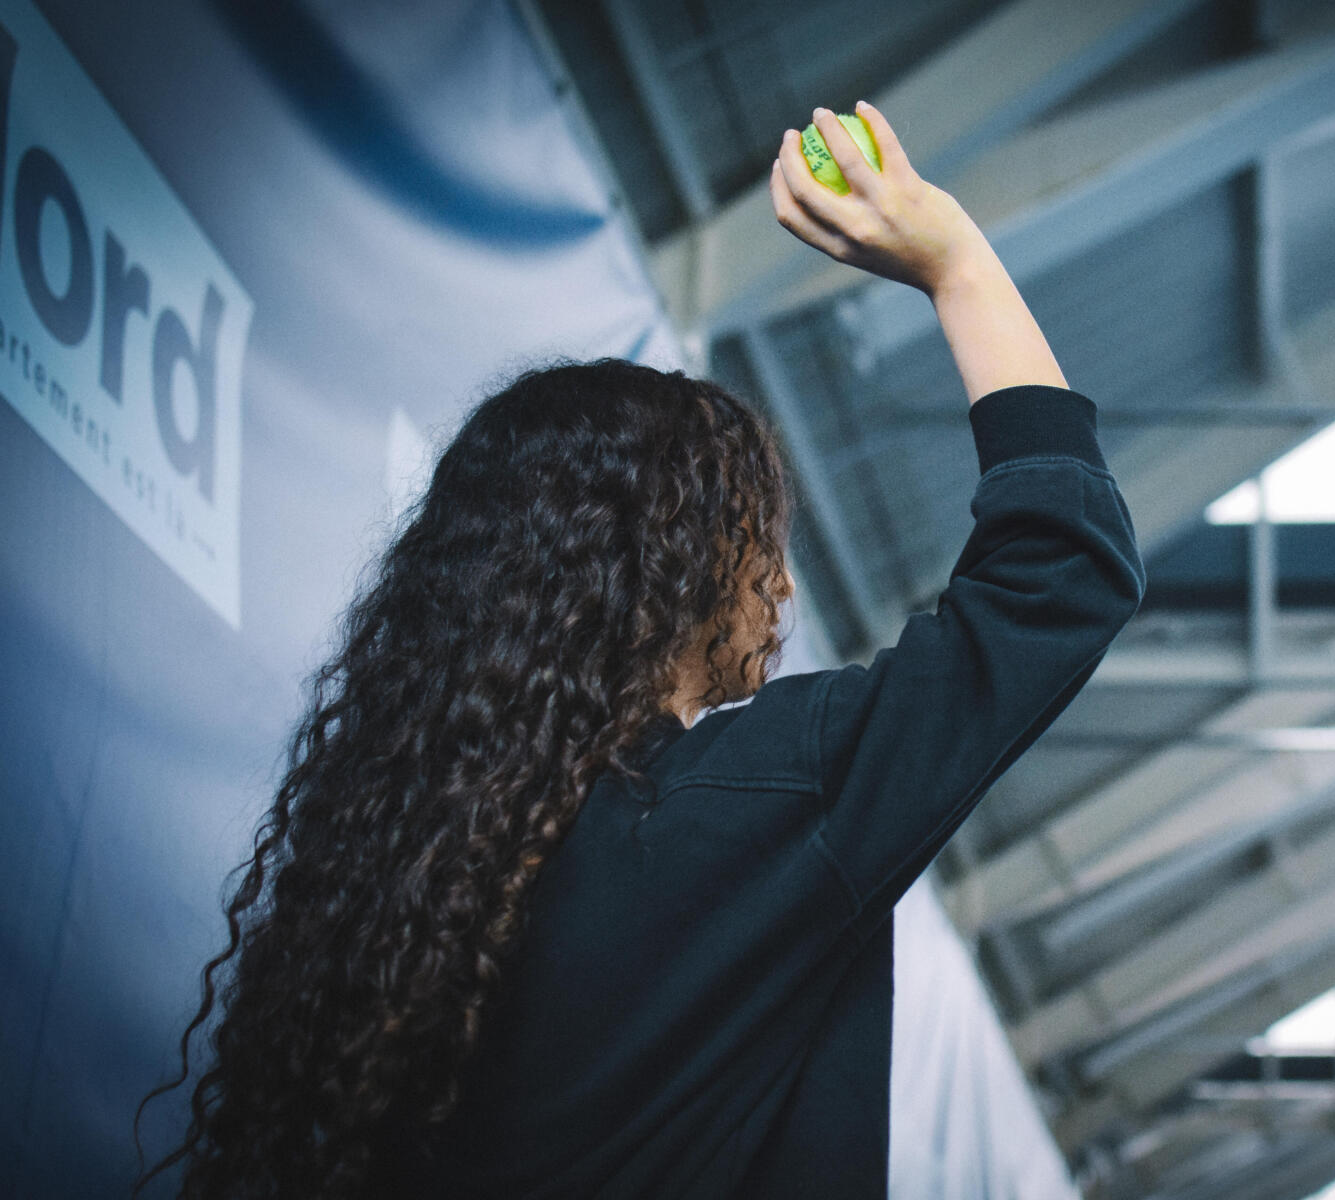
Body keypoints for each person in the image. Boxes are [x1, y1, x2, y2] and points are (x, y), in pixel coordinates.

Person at [135, 101, 1145, 1198]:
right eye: (763, 546)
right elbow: (1061, 574)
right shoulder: (756, 805)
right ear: (680, 567)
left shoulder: (409, 884)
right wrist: (956, 262)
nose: (787, 589)